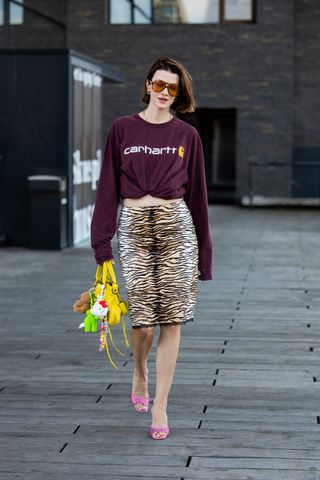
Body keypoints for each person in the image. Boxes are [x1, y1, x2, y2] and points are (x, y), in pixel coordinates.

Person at [91, 56, 213, 440]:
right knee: (143, 320)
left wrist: (204, 257)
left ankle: (161, 405)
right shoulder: (122, 129)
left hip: (176, 227)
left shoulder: (187, 136)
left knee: (172, 319)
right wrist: (101, 242)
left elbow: (199, 197)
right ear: (147, 85)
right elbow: (108, 186)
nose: (164, 93)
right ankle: (139, 371)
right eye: (158, 85)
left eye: (172, 88)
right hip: (133, 228)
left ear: (179, 94)